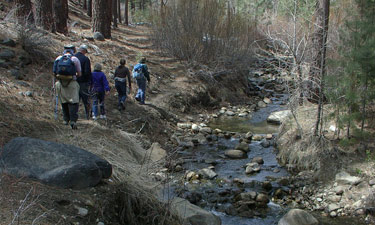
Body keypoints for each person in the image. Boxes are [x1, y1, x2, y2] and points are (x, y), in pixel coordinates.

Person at [53, 44, 82, 129]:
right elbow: (79, 73)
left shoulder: (58, 58)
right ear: (73, 50)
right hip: (72, 83)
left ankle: (66, 119)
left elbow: (54, 72)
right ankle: (73, 120)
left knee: (64, 101)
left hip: (60, 83)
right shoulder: (75, 59)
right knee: (74, 101)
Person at [75, 44, 92, 120]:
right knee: (85, 100)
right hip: (83, 82)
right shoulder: (85, 59)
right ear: (84, 51)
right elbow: (87, 72)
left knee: (75, 100)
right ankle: (87, 116)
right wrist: (89, 82)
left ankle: (74, 115)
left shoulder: (73, 57)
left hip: (73, 82)